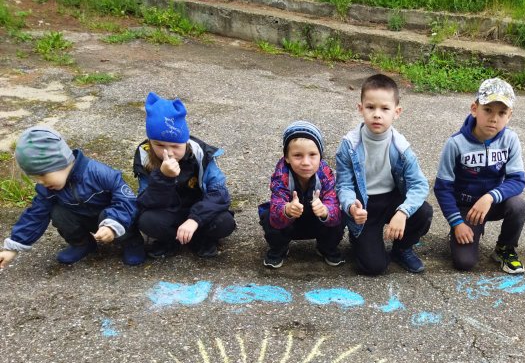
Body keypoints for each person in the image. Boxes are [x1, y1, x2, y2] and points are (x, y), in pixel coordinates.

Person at [0, 126, 143, 268]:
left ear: (60, 162)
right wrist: (13, 247)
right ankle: (83, 244)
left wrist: (113, 224)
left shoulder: (99, 173)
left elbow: (127, 201)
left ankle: (132, 242)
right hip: (83, 218)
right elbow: (35, 215)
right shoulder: (47, 189)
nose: (40, 182)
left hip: (113, 219)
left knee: (120, 213)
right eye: (35, 178)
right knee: (58, 212)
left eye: (42, 175)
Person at [335, 73, 433, 275]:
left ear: (396, 112)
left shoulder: (401, 147)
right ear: (360, 109)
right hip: (364, 205)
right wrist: (351, 206)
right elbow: (343, 185)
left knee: (423, 211)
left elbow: (420, 185)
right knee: (374, 267)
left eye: (385, 109)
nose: (377, 114)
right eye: (370, 107)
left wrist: (403, 212)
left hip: (391, 200)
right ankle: (359, 237)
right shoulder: (349, 145)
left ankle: (402, 248)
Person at [433, 77, 525, 274]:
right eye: (488, 110)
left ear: (509, 116)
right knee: (464, 262)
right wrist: (457, 223)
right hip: (466, 208)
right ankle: (465, 230)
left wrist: (490, 197)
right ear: (474, 109)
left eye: (502, 113)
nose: (494, 118)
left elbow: (517, 180)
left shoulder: (510, 139)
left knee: (518, 205)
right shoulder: (456, 144)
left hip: (491, 203)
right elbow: (443, 187)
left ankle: (505, 248)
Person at [133, 92, 236, 258]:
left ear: (185, 140)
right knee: (147, 221)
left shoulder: (201, 153)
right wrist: (163, 178)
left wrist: (195, 219)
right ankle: (170, 241)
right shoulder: (144, 155)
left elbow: (220, 194)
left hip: (198, 210)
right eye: (159, 145)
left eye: (175, 145)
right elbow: (144, 201)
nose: (168, 152)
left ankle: (201, 239)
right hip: (168, 212)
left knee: (225, 222)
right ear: (150, 142)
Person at [259, 121, 344, 268]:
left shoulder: (326, 175)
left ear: (320, 156)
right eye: (298, 155)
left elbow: (334, 209)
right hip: (291, 224)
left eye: (312, 155)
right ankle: (279, 248)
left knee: (340, 215)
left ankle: (326, 247)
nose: (306, 162)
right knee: (269, 216)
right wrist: (287, 210)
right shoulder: (281, 177)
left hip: (316, 221)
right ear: (287, 157)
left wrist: (325, 211)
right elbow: (276, 212)